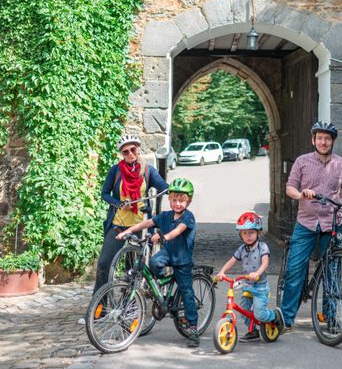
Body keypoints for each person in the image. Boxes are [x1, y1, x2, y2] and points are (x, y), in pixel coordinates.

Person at [280, 121, 342, 332]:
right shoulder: (302, 161)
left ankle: (330, 317)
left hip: (332, 223)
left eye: (327, 138)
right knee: (295, 270)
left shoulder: (341, 163)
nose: (323, 142)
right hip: (306, 223)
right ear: (313, 140)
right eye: (319, 138)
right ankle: (286, 318)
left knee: (332, 272)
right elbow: (290, 187)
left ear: (332, 141)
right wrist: (301, 194)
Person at [78, 134, 168, 325]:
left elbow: (163, 187)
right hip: (118, 225)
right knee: (104, 264)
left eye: (133, 149)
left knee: (132, 270)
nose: (130, 154)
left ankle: (130, 309)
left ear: (138, 149)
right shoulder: (116, 171)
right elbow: (104, 193)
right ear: (122, 154)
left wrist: (170, 191)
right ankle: (98, 310)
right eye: (125, 152)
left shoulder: (148, 171)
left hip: (139, 226)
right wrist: (118, 203)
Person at [116, 177, 199, 348]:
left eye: (181, 200)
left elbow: (178, 230)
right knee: (154, 262)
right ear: (169, 200)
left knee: (187, 292)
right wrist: (128, 231)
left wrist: (163, 237)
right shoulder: (166, 216)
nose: (177, 204)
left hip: (182, 259)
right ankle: (159, 287)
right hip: (167, 253)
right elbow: (147, 222)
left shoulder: (188, 217)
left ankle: (192, 328)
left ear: (188, 201)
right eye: (174, 200)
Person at [217, 211, 285, 342]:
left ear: (258, 233)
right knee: (244, 310)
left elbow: (265, 263)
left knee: (260, 314)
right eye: (244, 233)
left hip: (260, 287)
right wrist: (222, 272)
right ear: (241, 234)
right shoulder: (242, 249)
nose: (248, 236)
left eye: (251, 232)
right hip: (247, 286)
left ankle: (275, 316)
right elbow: (232, 260)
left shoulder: (262, 247)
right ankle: (253, 331)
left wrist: (257, 274)